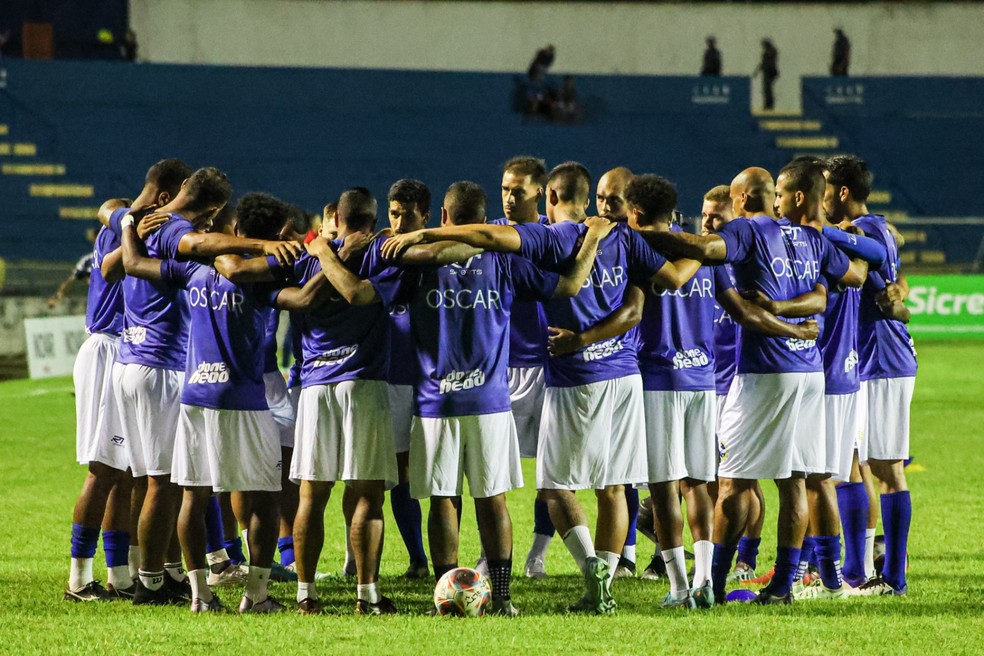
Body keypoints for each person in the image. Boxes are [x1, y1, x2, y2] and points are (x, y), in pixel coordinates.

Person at [383, 163, 703, 614]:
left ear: (548, 195)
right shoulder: (621, 237)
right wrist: (708, 247)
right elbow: (660, 282)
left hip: (552, 379)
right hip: (615, 375)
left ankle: (579, 566)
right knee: (612, 487)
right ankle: (602, 580)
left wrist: (421, 237)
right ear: (589, 199)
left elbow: (490, 241)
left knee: (539, 489)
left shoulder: (544, 238)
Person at [329, 181, 612, 616]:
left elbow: (363, 294)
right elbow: (571, 284)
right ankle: (501, 598)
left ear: (442, 217)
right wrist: (592, 238)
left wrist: (327, 252)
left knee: (443, 499)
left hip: (435, 402)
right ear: (484, 221)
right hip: (490, 402)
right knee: (492, 498)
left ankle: (448, 595)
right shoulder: (503, 258)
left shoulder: (414, 261)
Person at [644, 165, 868, 604]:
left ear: (743, 199)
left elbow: (707, 248)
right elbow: (835, 288)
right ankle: (783, 586)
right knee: (794, 480)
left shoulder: (747, 231)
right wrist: (797, 321)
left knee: (732, 482)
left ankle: (716, 581)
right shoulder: (808, 238)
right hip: (808, 373)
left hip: (766, 372)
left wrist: (649, 235)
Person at [104, 166, 299, 605]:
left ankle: (174, 579)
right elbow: (201, 244)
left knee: (175, 485)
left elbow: (119, 262)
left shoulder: (146, 225)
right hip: (170, 367)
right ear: (212, 210)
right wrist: (274, 247)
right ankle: (155, 582)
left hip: (147, 366)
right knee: (169, 484)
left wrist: (128, 222)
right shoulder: (183, 235)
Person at [64, 165, 185, 602]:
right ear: (165, 194)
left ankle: (118, 572)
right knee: (103, 469)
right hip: (111, 346)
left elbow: (110, 208)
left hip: (126, 350)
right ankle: (79, 578)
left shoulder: (127, 219)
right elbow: (115, 259)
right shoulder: (130, 222)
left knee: (127, 470)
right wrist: (132, 224)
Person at [825, 155, 916, 596]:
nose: (822, 198)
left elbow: (879, 254)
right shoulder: (872, 227)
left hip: (884, 360)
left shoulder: (870, 228)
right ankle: (855, 571)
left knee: (886, 467)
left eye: (826, 188)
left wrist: (820, 231)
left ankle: (894, 578)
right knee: (847, 464)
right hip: (858, 360)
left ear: (842, 192)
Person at [491, 157, 554, 579]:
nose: (510, 198)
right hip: (502, 365)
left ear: (539, 192)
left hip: (549, 365)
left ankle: (538, 553)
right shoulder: (493, 233)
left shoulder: (558, 234)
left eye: (518, 190)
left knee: (551, 469)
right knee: (491, 468)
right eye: (505, 189)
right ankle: (491, 552)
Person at [48, 228, 99, 308]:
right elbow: (71, 280)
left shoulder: (115, 256)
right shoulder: (87, 261)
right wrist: (57, 297)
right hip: (98, 301)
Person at [756, 39, 779, 111]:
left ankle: (769, 105)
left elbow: (767, 62)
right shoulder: (768, 52)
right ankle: (767, 105)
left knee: (768, 90)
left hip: (770, 72)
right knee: (766, 90)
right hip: (767, 72)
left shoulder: (771, 51)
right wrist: (757, 71)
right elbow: (762, 63)